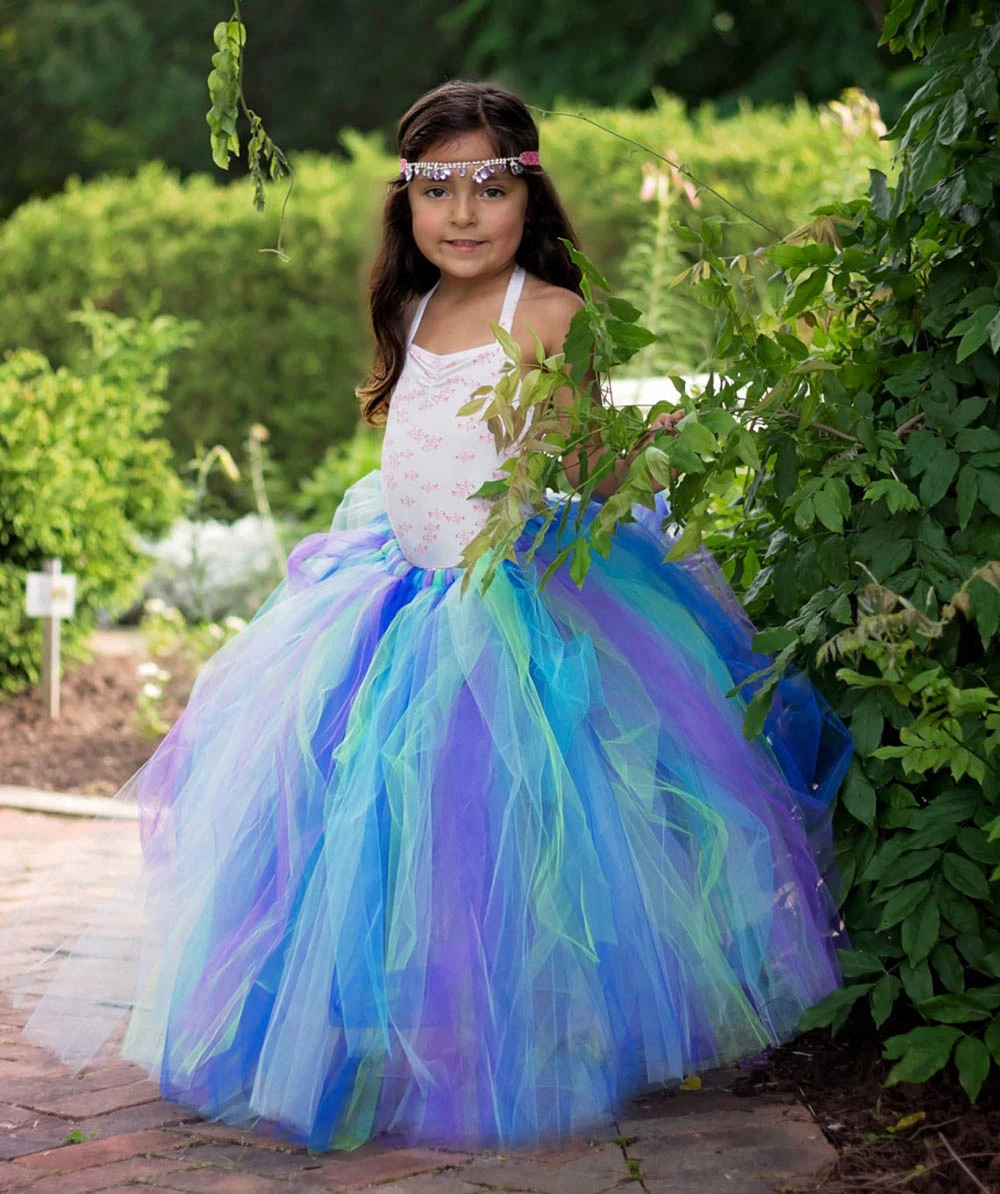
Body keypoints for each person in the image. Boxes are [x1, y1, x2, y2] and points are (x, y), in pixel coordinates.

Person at [17, 79, 851, 1153]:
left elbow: (586, 471)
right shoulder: (411, 313)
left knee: (510, 828)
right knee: (386, 833)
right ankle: (398, 1033)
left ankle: (527, 1035)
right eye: (438, 190)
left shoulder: (551, 315)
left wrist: (643, 451)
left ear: (528, 198)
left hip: (514, 610)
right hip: (396, 599)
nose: (463, 214)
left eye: (490, 189)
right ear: (405, 201)